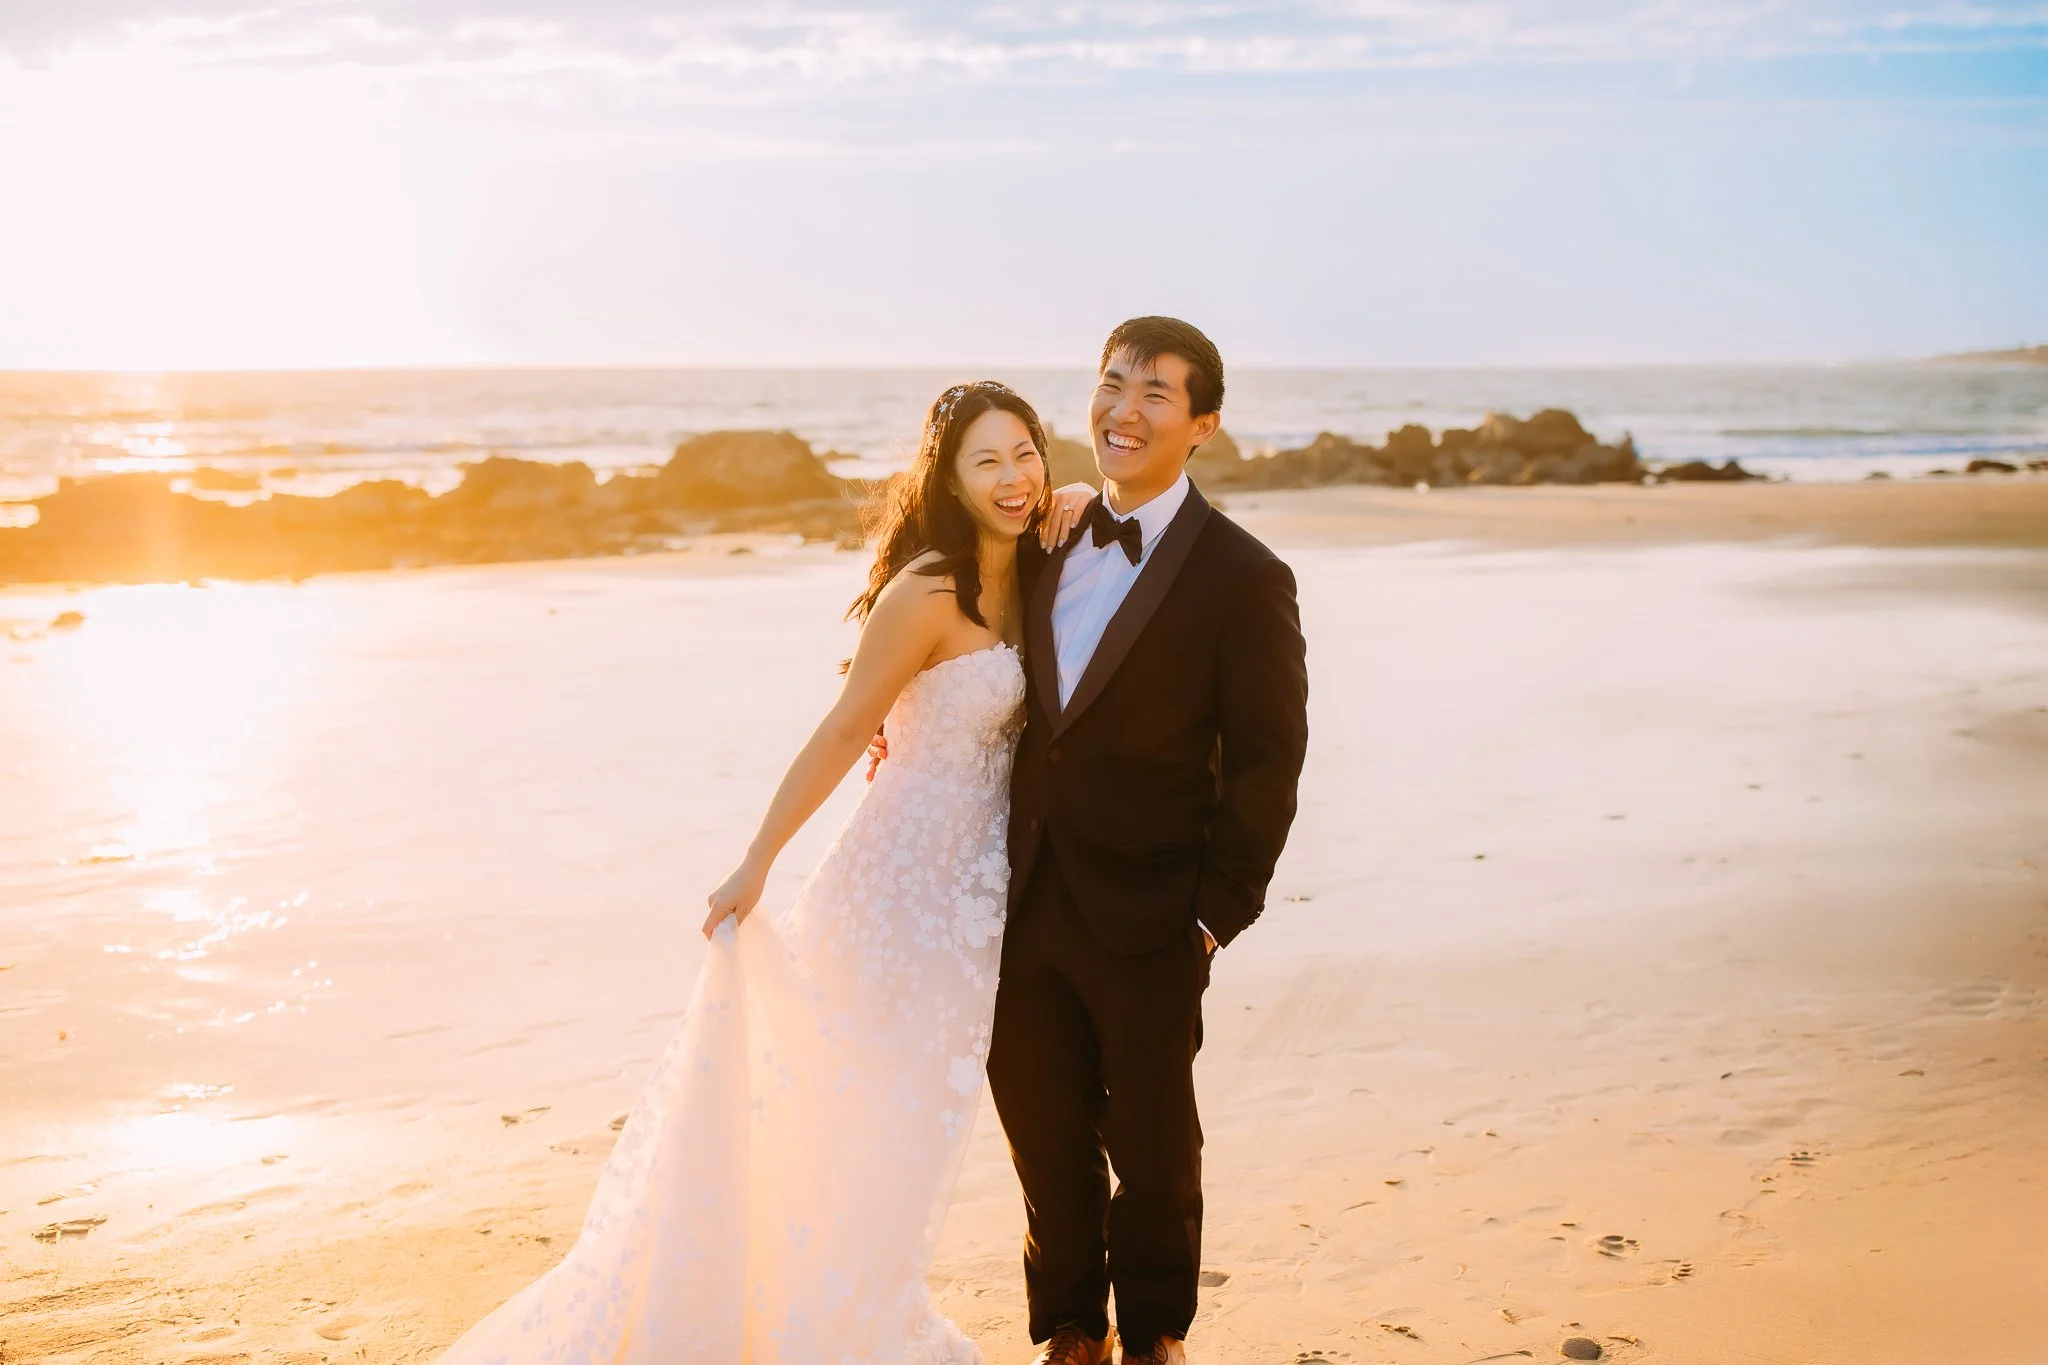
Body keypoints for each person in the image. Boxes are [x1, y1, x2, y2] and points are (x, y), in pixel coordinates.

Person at [432, 380, 1095, 1365]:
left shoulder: (1037, 568)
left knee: (910, 1135)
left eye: (1025, 453)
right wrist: (755, 862)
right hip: (896, 891)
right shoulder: (926, 590)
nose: (1012, 477)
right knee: (854, 1124)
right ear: (947, 481)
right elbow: (841, 731)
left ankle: (848, 1311)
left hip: (977, 903)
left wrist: (1081, 499)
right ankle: (825, 1330)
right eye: (985, 461)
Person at [987, 317, 1310, 1365]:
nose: (1124, 411)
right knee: (1043, 1133)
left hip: (1155, 912)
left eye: (1156, 394)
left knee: (1156, 1149)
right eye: (1112, 383)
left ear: (1201, 425)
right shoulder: (1044, 538)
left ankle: (1156, 1332)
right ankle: (1070, 1327)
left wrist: (1217, 913)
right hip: (1024, 897)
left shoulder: (1241, 575)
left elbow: (1267, 760)